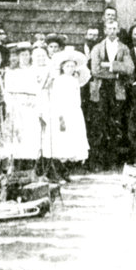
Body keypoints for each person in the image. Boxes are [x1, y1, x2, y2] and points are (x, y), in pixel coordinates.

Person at [88, 20, 135, 170]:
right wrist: (115, 74)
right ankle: (98, 162)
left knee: (115, 125)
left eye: (115, 28)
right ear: (105, 30)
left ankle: (112, 161)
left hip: (117, 90)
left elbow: (129, 68)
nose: (113, 31)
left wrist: (109, 66)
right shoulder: (97, 48)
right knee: (99, 125)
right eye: (110, 28)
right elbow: (95, 70)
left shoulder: (124, 48)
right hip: (101, 90)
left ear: (118, 30)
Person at [41, 48, 91, 180]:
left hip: (74, 112)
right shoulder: (59, 80)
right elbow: (56, 98)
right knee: (60, 141)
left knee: (72, 141)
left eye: (72, 66)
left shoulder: (75, 81)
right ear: (62, 67)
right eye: (67, 66)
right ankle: (56, 171)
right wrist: (59, 115)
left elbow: (77, 98)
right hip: (61, 112)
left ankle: (66, 171)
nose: (70, 68)